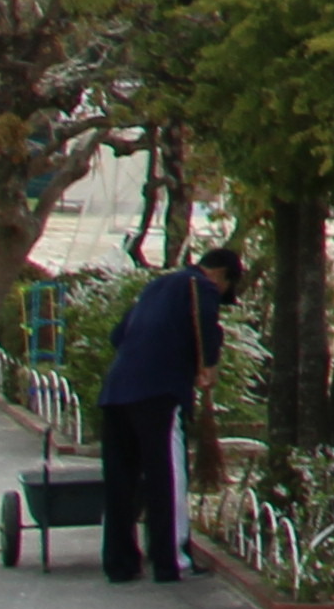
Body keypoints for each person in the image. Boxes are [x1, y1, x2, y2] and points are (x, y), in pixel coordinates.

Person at [95, 244, 245, 585]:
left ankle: (119, 563)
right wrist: (208, 366)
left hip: (116, 392)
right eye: (226, 290)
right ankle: (171, 561)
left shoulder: (157, 286)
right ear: (222, 275)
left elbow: (118, 335)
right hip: (159, 395)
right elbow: (206, 330)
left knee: (121, 482)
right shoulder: (201, 288)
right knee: (167, 478)